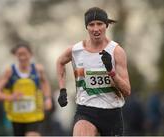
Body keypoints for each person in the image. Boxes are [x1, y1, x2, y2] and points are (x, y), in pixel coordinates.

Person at [56, 7, 131, 136]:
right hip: (86, 111)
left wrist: (111, 72)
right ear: (87, 27)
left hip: (111, 113)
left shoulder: (116, 51)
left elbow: (127, 91)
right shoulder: (76, 50)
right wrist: (62, 89)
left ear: (106, 25)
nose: (96, 29)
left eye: (99, 24)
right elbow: (60, 62)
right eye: (91, 24)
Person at [0, 42, 53, 136]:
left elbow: (45, 83)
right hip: (17, 116)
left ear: (30, 54)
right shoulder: (9, 71)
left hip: (35, 115)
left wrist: (47, 98)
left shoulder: (38, 69)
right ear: (15, 55)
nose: (22, 57)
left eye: (24, 54)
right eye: (19, 55)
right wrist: (11, 97)